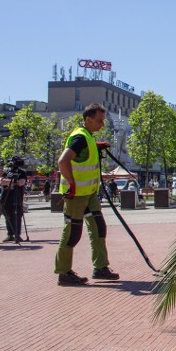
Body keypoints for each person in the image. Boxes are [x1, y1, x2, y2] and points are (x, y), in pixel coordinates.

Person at [54, 103, 120, 286]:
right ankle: (64, 272)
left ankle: (100, 267)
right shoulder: (80, 138)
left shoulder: (88, 137)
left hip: (89, 193)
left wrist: (95, 146)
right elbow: (63, 161)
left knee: (99, 227)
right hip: (76, 195)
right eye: (99, 121)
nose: (102, 124)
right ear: (88, 119)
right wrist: (72, 184)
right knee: (72, 232)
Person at [0, 157, 28, 243]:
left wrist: (10, 182)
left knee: (17, 215)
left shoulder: (22, 172)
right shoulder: (6, 171)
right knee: (7, 215)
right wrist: (14, 182)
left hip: (17, 196)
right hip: (6, 197)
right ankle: (10, 234)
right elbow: (1, 181)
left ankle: (17, 234)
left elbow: (22, 182)